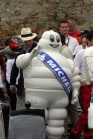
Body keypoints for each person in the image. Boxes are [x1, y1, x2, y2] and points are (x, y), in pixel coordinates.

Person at [69, 30, 93, 139]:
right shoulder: (81, 53)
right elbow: (75, 69)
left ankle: (88, 135)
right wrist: (76, 87)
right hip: (87, 85)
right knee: (88, 112)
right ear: (88, 41)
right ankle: (75, 133)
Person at [59, 20, 79, 135]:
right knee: (67, 109)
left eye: (67, 27)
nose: (65, 29)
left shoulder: (73, 42)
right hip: (66, 79)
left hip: (68, 79)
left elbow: (73, 61)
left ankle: (72, 133)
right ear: (60, 28)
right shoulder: (60, 41)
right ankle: (69, 133)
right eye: (63, 27)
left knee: (68, 109)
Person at [10, 27, 37, 110]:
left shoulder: (38, 49)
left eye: (30, 41)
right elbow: (15, 67)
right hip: (22, 84)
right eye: (26, 41)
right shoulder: (19, 50)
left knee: (36, 107)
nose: (28, 43)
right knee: (21, 108)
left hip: (35, 83)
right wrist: (12, 83)